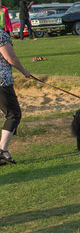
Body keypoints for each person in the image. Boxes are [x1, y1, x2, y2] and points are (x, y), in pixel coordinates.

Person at [0, 27, 32, 164]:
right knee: (14, 114)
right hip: (2, 81)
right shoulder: (1, 34)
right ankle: (2, 150)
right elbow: (10, 57)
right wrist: (24, 71)